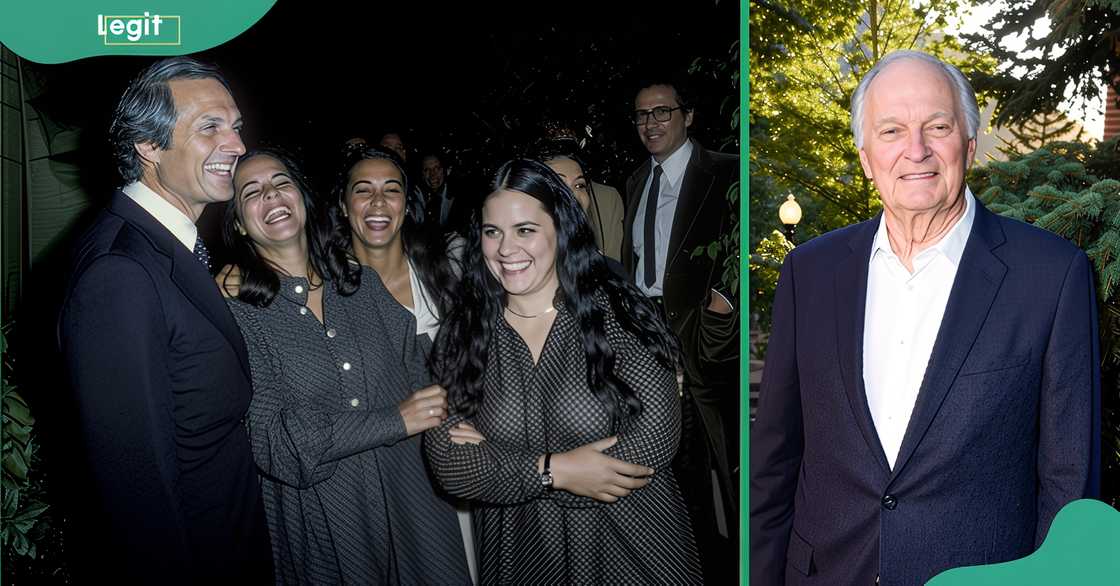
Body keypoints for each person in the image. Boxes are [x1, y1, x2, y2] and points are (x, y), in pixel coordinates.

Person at [749, 50, 1100, 585]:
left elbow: (1069, 482)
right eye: (891, 130)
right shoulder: (810, 273)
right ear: (866, 156)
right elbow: (774, 462)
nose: (916, 150)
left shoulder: (1051, 276)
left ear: (969, 143)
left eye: (937, 126)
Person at [425, 159, 702, 585]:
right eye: (491, 231)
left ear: (560, 229)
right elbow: (451, 464)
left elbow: (657, 437)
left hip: (631, 546)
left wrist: (503, 466)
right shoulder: (461, 334)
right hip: (522, 553)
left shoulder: (620, 313)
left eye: (525, 230)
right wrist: (558, 471)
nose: (505, 249)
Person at [57, 57, 272, 582]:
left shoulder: (171, 249)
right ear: (148, 147)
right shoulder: (120, 274)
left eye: (236, 126)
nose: (238, 145)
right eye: (210, 127)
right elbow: (137, 495)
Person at [218, 147, 471, 584]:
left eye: (281, 183)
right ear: (239, 222)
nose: (272, 196)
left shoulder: (363, 286)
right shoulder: (239, 315)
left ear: (303, 198)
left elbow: (424, 389)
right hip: (327, 518)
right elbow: (278, 442)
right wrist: (394, 419)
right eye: (252, 193)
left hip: (411, 502)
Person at [332, 145, 475, 581]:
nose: (378, 203)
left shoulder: (447, 268)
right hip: (385, 474)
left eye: (391, 190)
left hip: (461, 460)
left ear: (406, 202)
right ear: (343, 204)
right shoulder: (326, 291)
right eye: (363, 190)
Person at [622, 76, 740, 583]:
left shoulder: (725, 171)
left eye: (662, 112)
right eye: (642, 115)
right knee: (674, 466)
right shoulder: (635, 181)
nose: (651, 124)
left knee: (727, 462)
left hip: (703, 333)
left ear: (688, 117)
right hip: (646, 337)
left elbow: (743, 243)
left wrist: (725, 304)